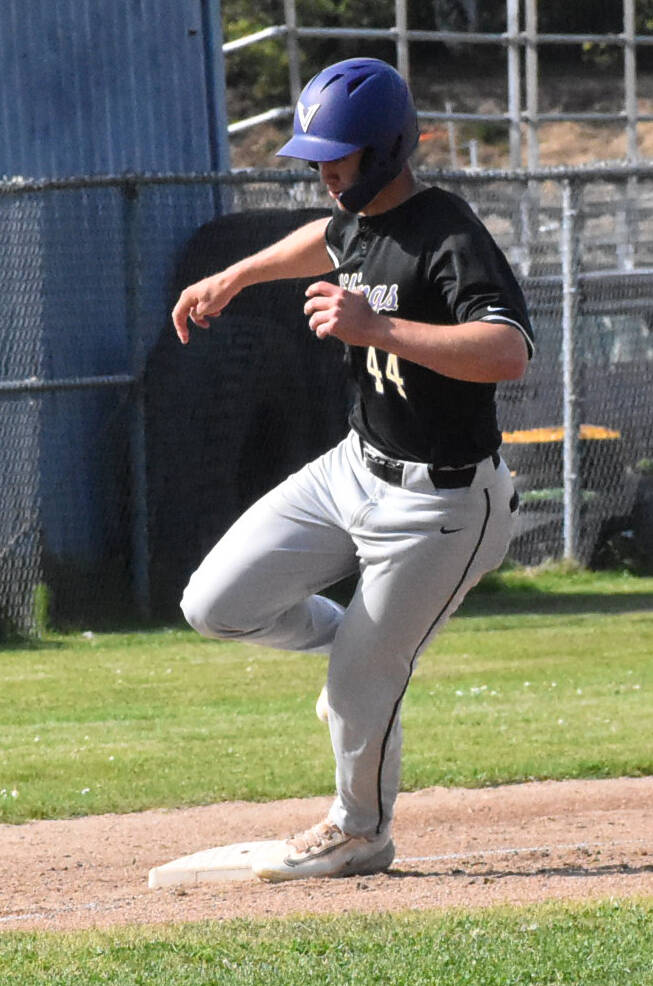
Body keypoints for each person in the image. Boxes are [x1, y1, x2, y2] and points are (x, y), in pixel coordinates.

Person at [172, 57, 534, 883]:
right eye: (319, 155)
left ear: (387, 150)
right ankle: (369, 655)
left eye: (339, 154)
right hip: (351, 470)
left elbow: (508, 352)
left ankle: (358, 830)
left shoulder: (447, 231)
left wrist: (380, 329)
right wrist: (237, 274)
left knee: (356, 687)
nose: (325, 169)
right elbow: (327, 239)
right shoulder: (355, 215)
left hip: (442, 506)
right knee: (214, 604)